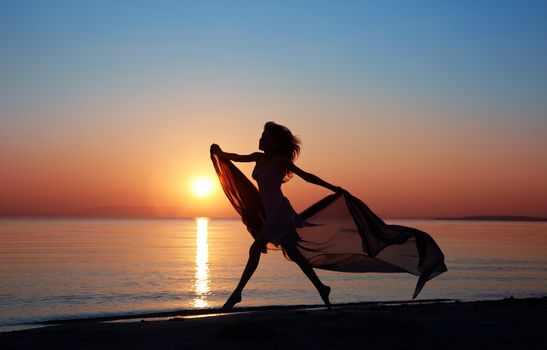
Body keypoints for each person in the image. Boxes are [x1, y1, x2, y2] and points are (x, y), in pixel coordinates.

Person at [211, 121, 343, 311]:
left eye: (266, 137)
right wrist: (220, 153)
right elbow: (237, 157)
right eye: (261, 135)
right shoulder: (258, 157)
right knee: (295, 255)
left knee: (255, 248)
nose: (261, 139)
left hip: (279, 211)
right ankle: (322, 288)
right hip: (269, 212)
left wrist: (333, 188)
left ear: (275, 143)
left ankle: (237, 293)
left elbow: (307, 176)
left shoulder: (281, 160)